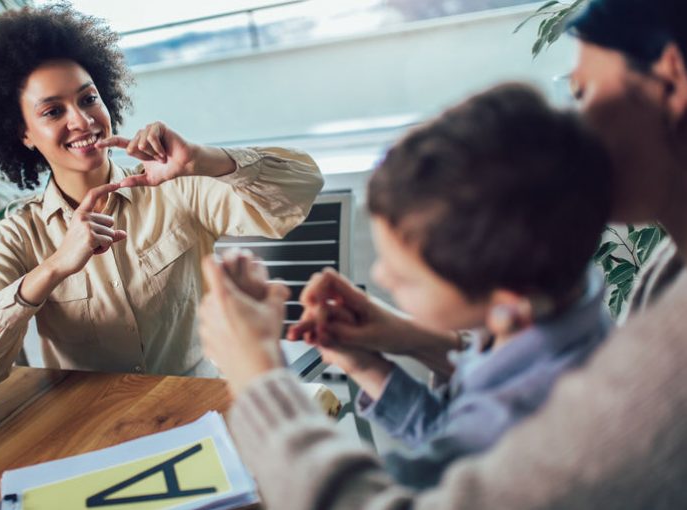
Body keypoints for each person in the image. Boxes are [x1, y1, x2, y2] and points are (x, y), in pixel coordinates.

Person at [196, 0, 687, 507]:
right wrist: (397, 348)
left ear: (672, 81)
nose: (572, 134)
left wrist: (258, 378)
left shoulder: (668, 358)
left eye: (581, 93)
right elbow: (474, 449)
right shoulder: (651, 279)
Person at [209, 83, 615, 490]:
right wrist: (368, 365)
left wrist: (258, 376)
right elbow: (451, 438)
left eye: (404, 276)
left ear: (507, 303)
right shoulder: (565, 306)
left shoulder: (526, 421)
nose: (381, 277)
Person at [0, 4, 323, 385]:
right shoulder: (21, 234)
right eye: (52, 112)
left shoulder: (174, 186)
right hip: (94, 429)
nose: (82, 120)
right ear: (23, 134)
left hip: (194, 405)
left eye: (88, 99)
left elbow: (302, 188)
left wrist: (203, 159)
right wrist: (53, 268)